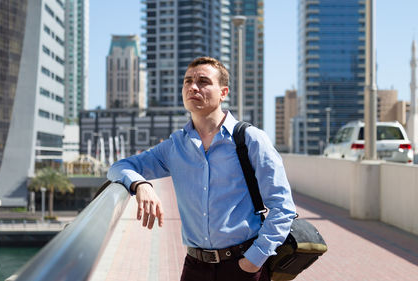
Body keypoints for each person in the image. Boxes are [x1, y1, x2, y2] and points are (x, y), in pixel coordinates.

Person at [107, 56, 296, 281]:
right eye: (188, 81)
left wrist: (254, 260)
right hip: (195, 268)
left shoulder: (250, 139)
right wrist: (141, 185)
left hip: (243, 266)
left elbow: (283, 207)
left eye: (203, 81)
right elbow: (119, 167)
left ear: (223, 93)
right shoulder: (175, 146)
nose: (193, 87)